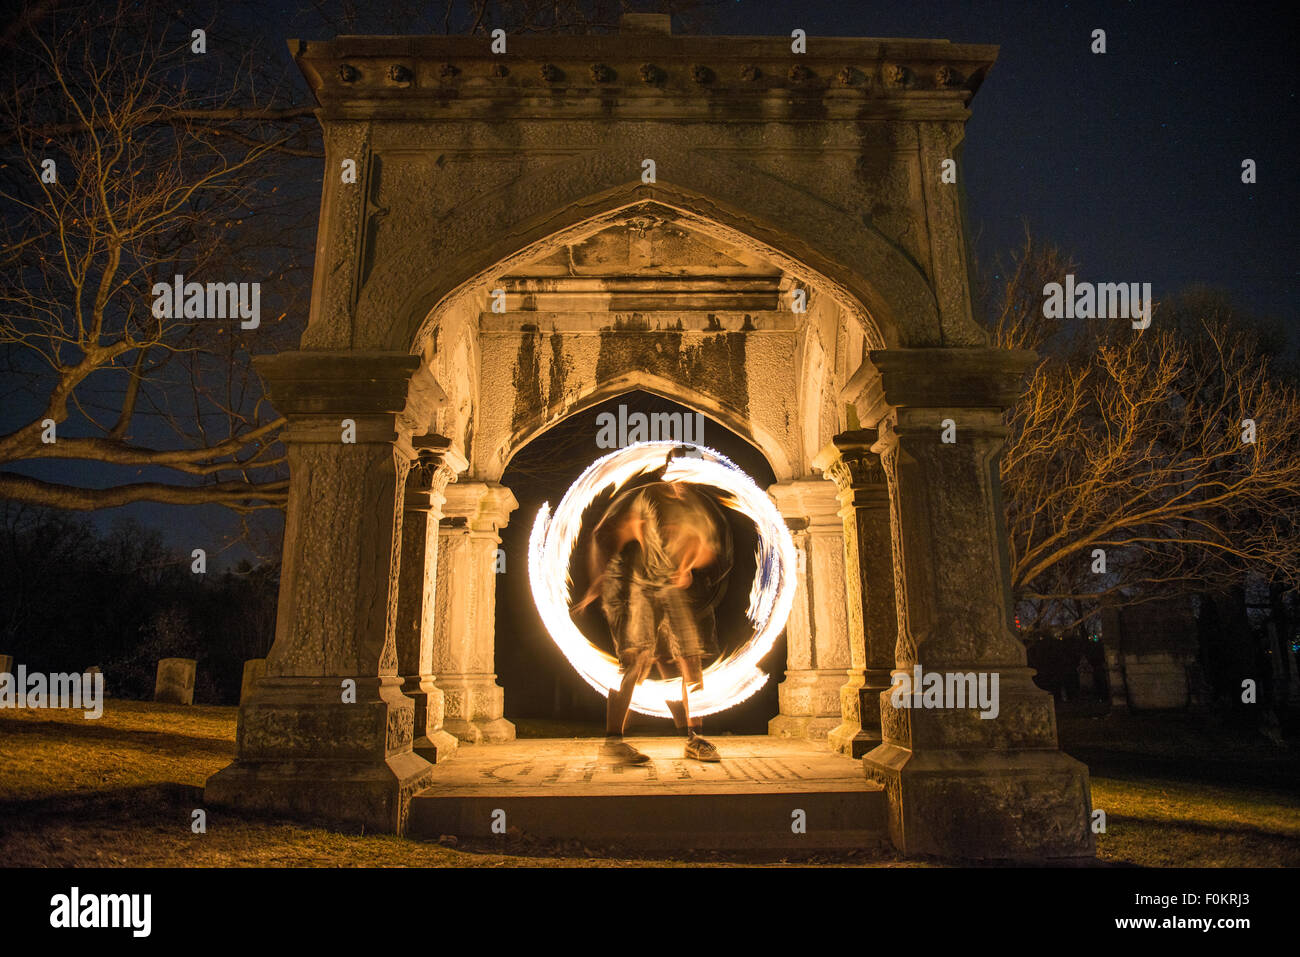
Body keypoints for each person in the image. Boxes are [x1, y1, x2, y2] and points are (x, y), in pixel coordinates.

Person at [572, 462, 732, 764]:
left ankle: (694, 739)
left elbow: (705, 548)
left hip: (673, 590)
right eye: (674, 472)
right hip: (641, 587)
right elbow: (617, 530)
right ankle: (613, 742)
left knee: (690, 661)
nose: (678, 481)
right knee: (636, 659)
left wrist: (686, 567)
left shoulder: (697, 508)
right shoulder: (648, 497)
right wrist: (600, 578)